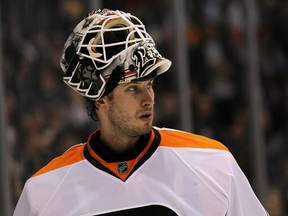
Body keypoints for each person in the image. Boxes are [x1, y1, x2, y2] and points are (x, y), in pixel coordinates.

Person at [13, 9, 269, 216]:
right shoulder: (43, 193)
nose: (149, 99)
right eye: (133, 88)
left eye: (150, 85)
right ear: (100, 97)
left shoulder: (212, 163)